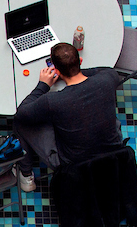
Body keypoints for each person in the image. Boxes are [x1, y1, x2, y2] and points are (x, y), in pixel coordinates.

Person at [12, 42, 126, 192]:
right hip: (112, 152)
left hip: (73, 163)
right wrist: (72, 70)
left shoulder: (53, 101)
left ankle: (26, 177)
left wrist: (43, 85)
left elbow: (22, 113)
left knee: (19, 123)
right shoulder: (108, 79)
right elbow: (107, 70)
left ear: (56, 71)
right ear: (80, 61)